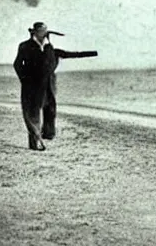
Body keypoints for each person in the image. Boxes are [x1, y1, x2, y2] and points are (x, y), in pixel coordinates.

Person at [13, 21, 98, 151]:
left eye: (45, 31)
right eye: (41, 31)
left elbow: (72, 54)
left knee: (50, 110)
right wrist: (25, 80)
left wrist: (94, 53)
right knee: (32, 113)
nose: (44, 33)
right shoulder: (25, 46)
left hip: (48, 85)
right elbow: (17, 64)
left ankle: (47, 134)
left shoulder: (50, 48)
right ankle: (35, 141)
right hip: (32, 86)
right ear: (34, 32)